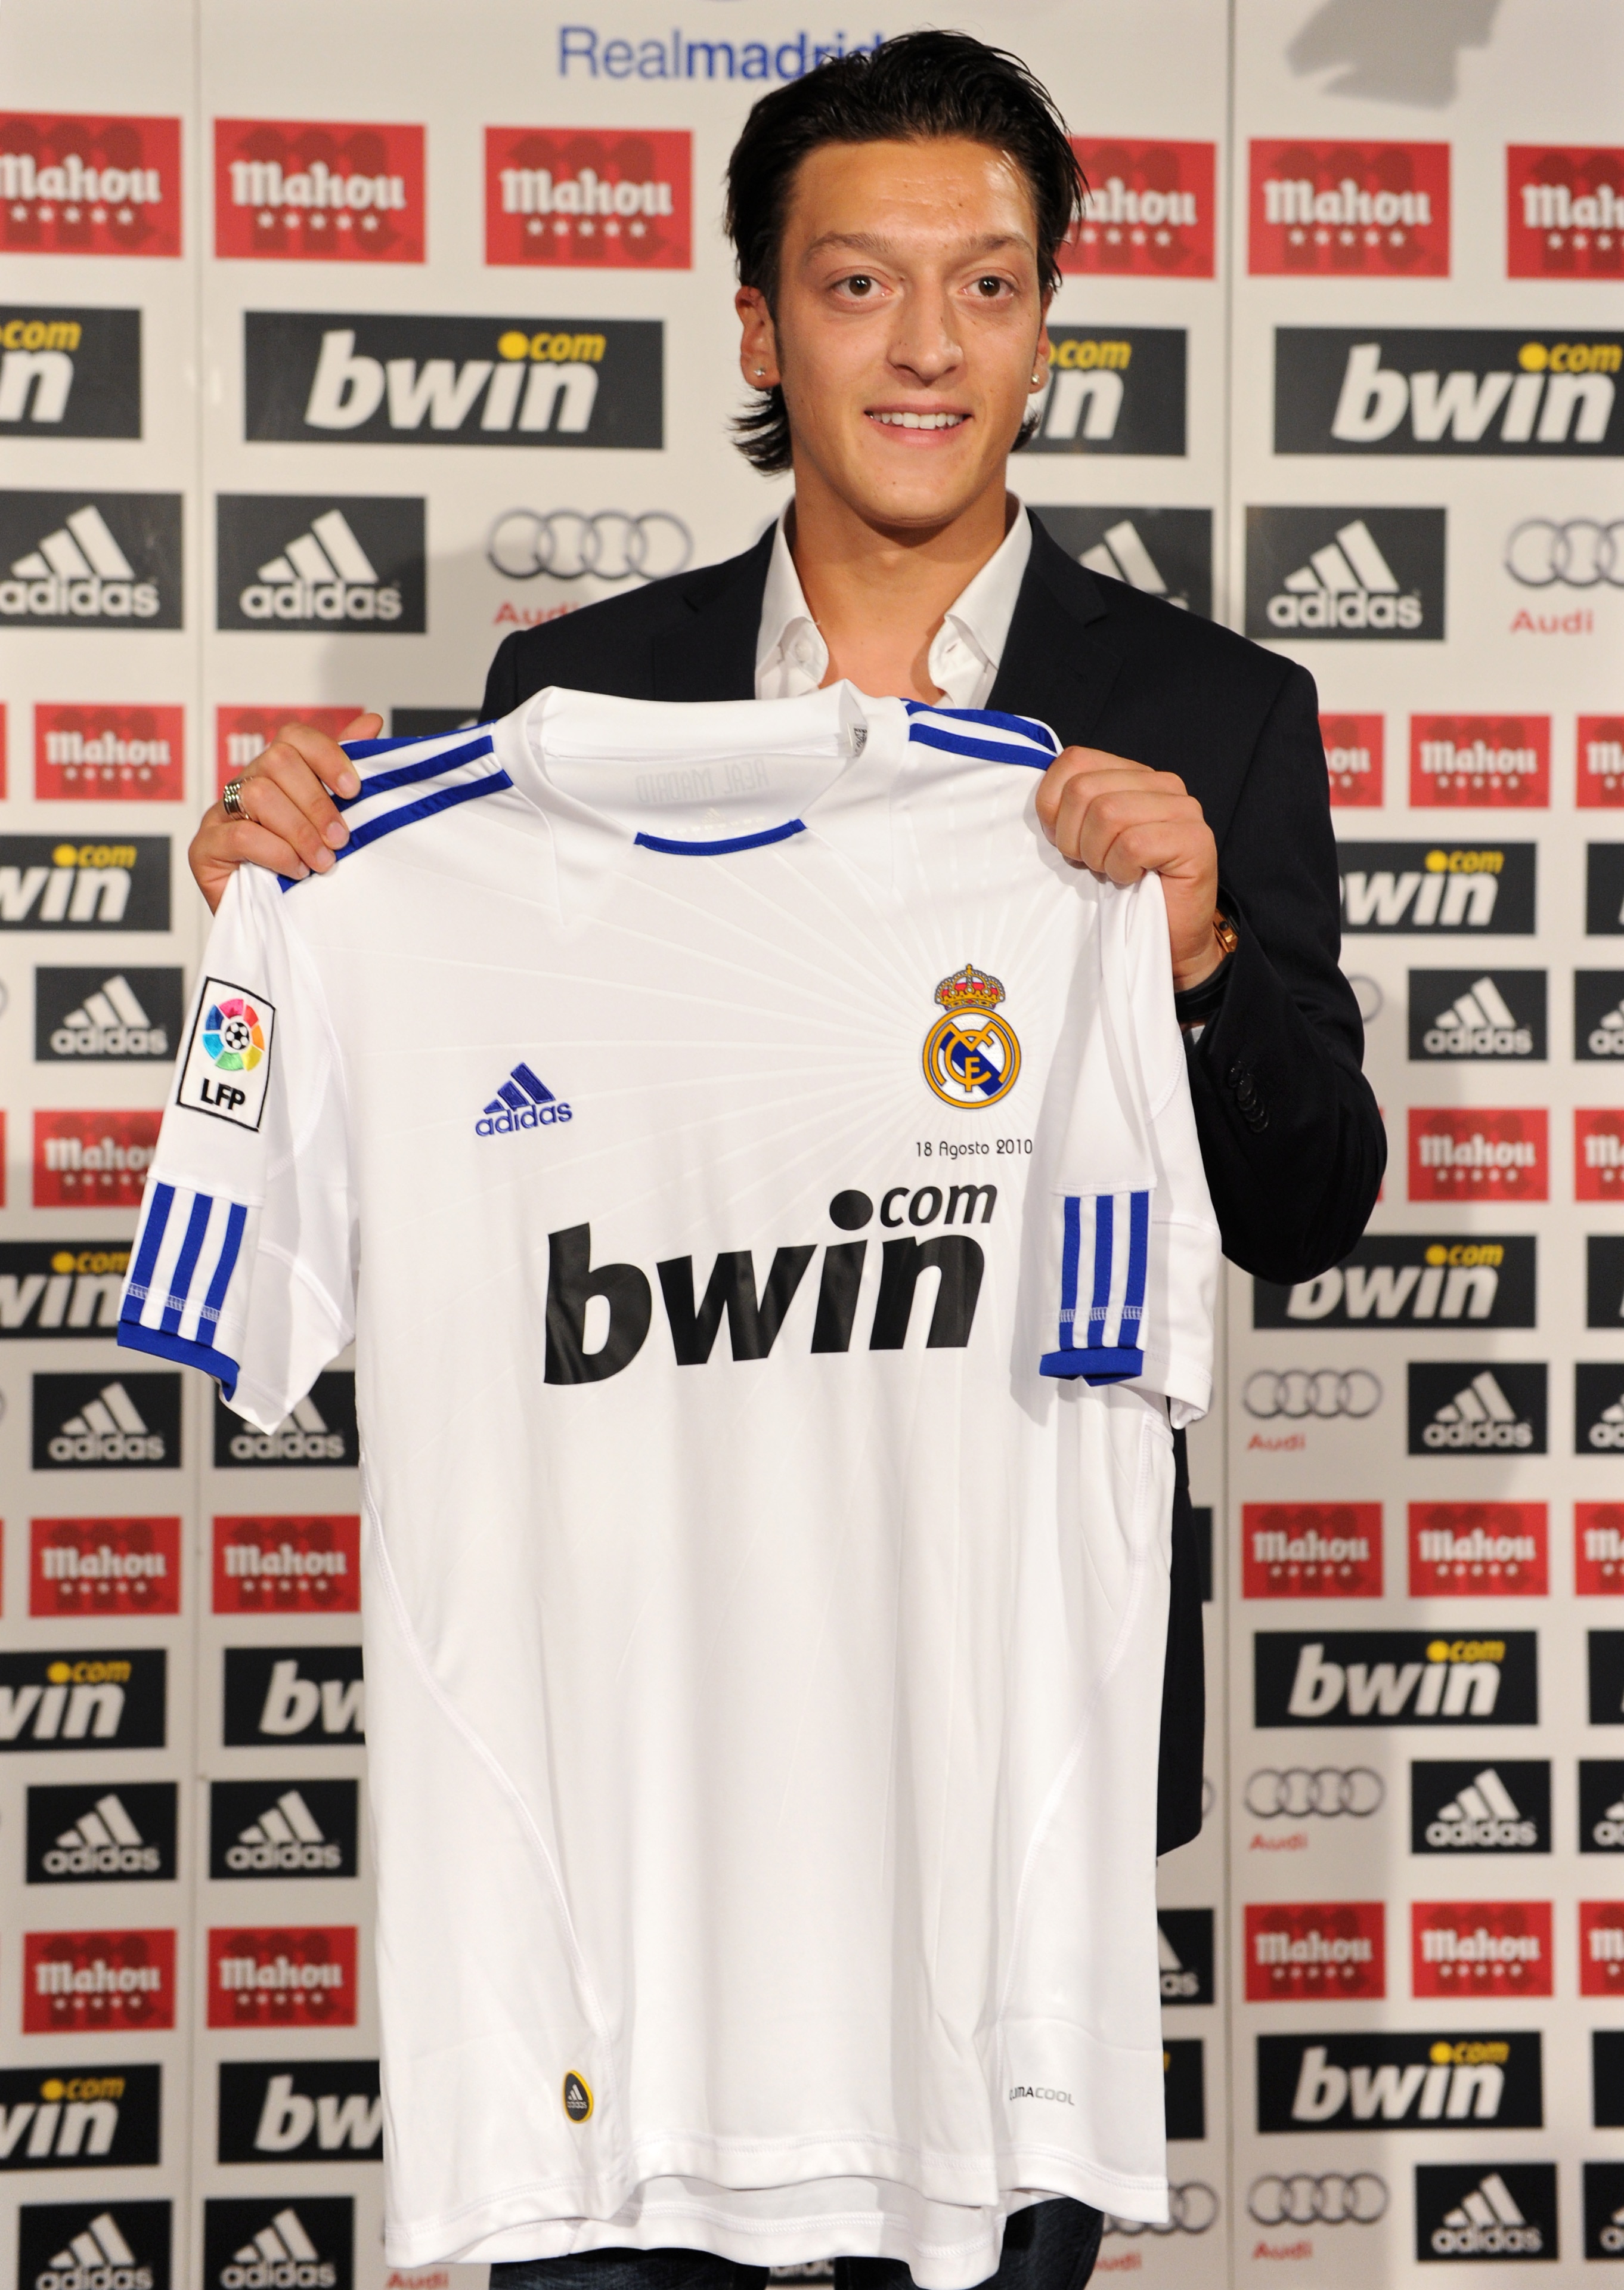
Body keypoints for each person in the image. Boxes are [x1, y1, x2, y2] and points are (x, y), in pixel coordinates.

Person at [187, 34, 1384, 2290]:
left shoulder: (1209, 712)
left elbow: (1309, 1203)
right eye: (857, 285)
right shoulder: (563, 700)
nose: (928, 346)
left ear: (1046, 320)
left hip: (995, 1730)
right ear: (758, 324)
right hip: (637, 1733)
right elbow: (482, 1239)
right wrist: (290, 952)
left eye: (989, 286)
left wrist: (1203, 955)